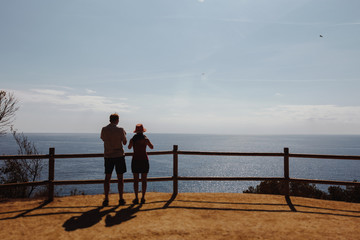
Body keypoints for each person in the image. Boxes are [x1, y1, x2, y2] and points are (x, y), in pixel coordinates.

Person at [100, 113, 127, 206]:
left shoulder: (104, 129)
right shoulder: (120, 130)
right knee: (120, 178)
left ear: (110, 119)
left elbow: (103, 139)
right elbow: (124, 142)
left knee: (107, 178)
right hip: (119, 155)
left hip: (108, 156)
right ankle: (121, 198)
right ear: (117, 120)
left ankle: (106, 198)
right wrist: (124, 134)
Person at [128, 124, 153, 204]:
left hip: (135, 160)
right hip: (144, 160)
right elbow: (151, 147)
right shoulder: (145, 139)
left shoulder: (133, 139)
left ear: (136, 131)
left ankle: (136, 198)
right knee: (144, 180)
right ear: (142, 131)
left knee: (136, 180)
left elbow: (129, 147)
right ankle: (143, 197)